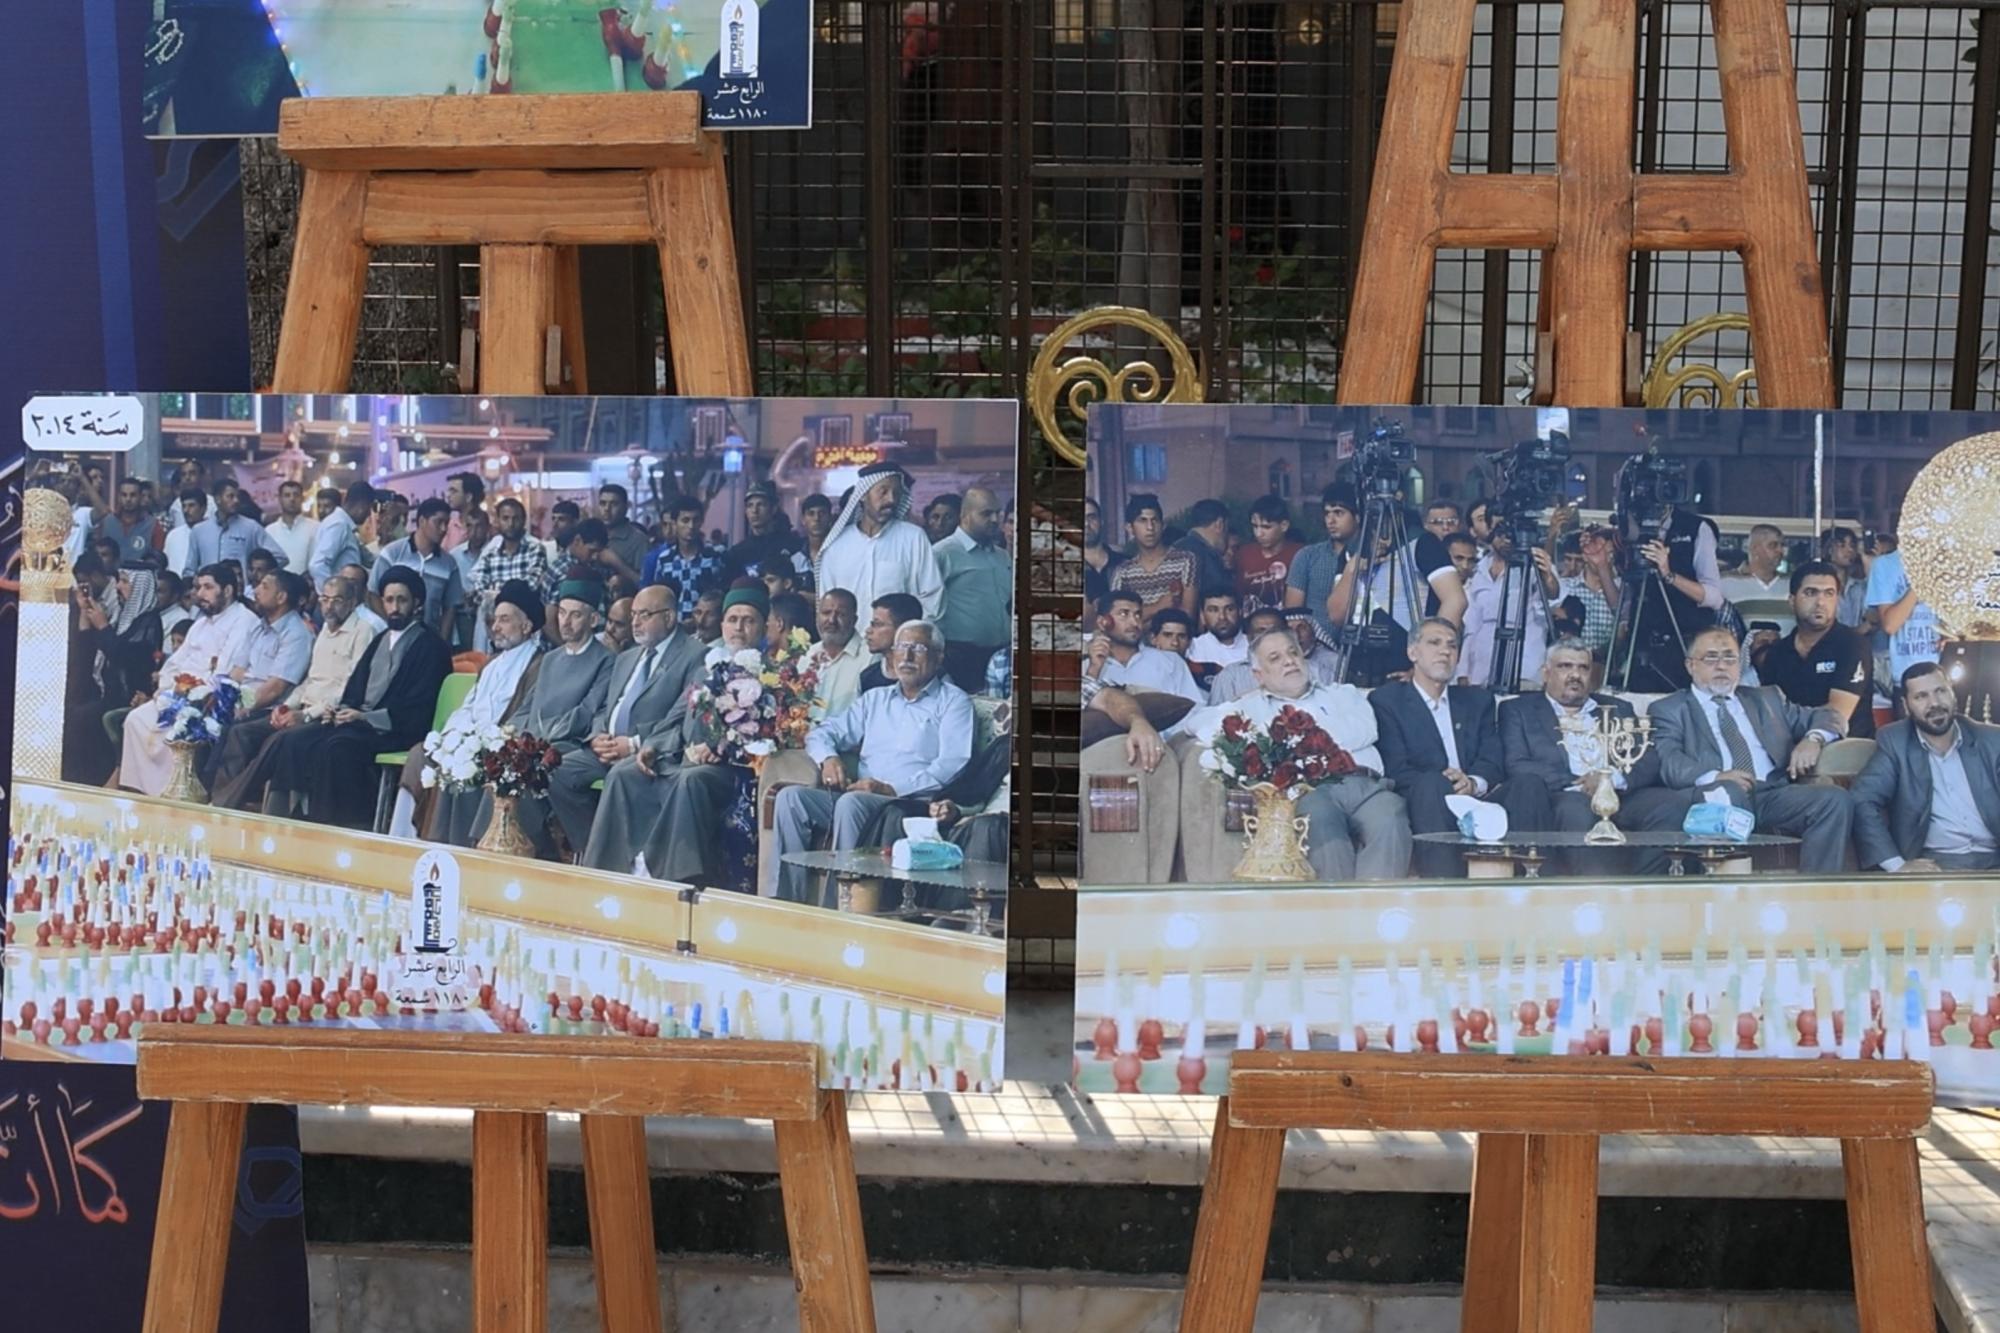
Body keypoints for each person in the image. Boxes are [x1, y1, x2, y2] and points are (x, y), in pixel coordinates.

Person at [772, 619, 975, 904]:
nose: (906, 656)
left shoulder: (953, 702)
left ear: (938, 657)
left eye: (918, 648)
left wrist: (890, 789)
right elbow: (821, 733)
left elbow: (951, 765)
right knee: (791, 799)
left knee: (851, 803)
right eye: (901, 647)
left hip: (908, 804)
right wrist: (828, 758)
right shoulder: (875, 700)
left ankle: (841, 908)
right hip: (862, 796)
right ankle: (787, 902)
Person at [1183, 627, 1411, 880]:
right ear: (1258, 675)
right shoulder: (1250, 706)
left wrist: (1294, 738)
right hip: (1311, 790)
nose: (1289, 661)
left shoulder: (1342, 693)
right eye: (1275, 658)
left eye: (1293, 653)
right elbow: (1195, 723)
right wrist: (1245, 707)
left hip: (1365, 784)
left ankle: (1378, 902)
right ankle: (1338, 902)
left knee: (1391, 814)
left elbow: (1365, 730)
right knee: (1319, 820)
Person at [584, 586, 772, 880]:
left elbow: (771, 731)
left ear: (764, 626)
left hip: (731, 768)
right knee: (624, 773)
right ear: (722, 625)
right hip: (685, 756)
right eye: (732, 619)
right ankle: (605, 875)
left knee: (689, 781)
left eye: (748, 620)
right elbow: (676, 715)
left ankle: (675, 878)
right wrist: (653, 746)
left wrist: (722, 747)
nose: (738, 628)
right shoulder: (709, 663)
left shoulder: (773, 672)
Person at [1648, 625, 1851, 872]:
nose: (1721, 666)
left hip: (1771, 792)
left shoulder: (1767, 698)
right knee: (1727, 793)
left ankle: (1818, 888)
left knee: (1834, 799)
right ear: (1691, 666)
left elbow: (1831, 715)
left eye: (1729, 658)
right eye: (1711, 658)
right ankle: (1729, 888)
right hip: (1716, 794)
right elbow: (1670, 762)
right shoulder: (1669, 709)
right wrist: (1717, 777)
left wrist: (1814, 738)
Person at [260, 570, 453, 829]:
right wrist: (341, 711)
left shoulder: (431, 646)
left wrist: (366, 717)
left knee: (336, 747)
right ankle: (284, 822)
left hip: (395, 729)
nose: (394, 608)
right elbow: (355, 689)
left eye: (402, 600)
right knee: (295, 740)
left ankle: (338, 826)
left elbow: (420, 706)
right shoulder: (381, 640)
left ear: (416, 603)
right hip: (358, 724)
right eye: (389, 600)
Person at [1370, 618, 1552, 878]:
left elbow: (1492, 758)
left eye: (1452, 646)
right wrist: (1448, 782)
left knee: (1530, 784)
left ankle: (1534, 884)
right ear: (1412, 653)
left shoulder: (1477, 700)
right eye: (1434, 643)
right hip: (1428, 800)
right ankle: (1446, 887)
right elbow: (1396, 768)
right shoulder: (1388, 700)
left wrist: (1474, 782)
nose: (1445, 651)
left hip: (1477, 797)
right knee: (1431, 784)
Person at [1497, 638, 1692, 874]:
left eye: (1583, 668)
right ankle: (1597, 890)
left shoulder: (1618, 708)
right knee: (1578, 811)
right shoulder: (1519, 710)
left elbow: (1648, 758)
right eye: (1565, 666)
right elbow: (1517, 764)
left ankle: (1641, 886)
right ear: (1545, 673)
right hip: (1564, 795)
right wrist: (1581, 782)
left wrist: (1610, 779)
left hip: (1620, 793)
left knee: (1672, 806)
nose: (1575, 675)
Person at [544, 581, 708, 857]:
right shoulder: (626, 657)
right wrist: (597, 736)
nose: (635, 623)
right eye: (633, 615)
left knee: (620, 776)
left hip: (649, 751)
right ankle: (592, 850)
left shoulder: (694, 655)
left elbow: (679, 718)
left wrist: (634, 743)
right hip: (605, 748)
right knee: (556, 770)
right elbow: (606, 707)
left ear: (669, 617)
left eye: (644, 615)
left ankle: (602, 860)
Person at [465, 579, 616, 857]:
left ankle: (533, 853)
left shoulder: (606, 660)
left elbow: (587, 711)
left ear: (593, 619)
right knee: (503, 763)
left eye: (575, 615)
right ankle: (487, 846)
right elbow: (527, 707)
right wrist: (511, 736)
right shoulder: (550, 659)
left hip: (568, 743)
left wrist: (539, 739)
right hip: (536, 741)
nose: (565, 622)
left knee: (529, 768)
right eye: (562, 613)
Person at [389, 579, 545, 842]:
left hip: (500, 746)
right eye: (495, 620)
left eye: (505, 620)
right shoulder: (491, 664)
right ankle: (405, 841)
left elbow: (525, 718)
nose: (495, 627)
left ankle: (446, 844)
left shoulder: (538, 665)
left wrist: (478, 743)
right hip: (470, 739)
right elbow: (468, 707)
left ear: (527, 626)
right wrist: (453, 739)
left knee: (464, 767)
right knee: (420, 754)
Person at [208, 575, 381, 812]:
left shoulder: (363, 631)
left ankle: (225, 805)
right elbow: (309, 680)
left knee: (279, 740)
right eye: (325, 599)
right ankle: (218, 797)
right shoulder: (325, 631)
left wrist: (307, 714)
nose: (329, 606)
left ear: (352, 602)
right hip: (302, 708)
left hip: (328, 716)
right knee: (241, 732)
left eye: (337, 600)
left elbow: (350, 689)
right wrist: (287, 706)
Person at [115, 562, 261, 796]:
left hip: (211, 699)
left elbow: (224, 671)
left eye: (208, 587)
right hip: (179, 692)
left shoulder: (244, 621)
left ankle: (173, 794)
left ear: (227, 590)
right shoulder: (201, 623)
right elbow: (175, 662)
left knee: (177, 728)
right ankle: (140, 791)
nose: (200, 594)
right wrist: (167, 688)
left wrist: (192, 692)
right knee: (136, 719)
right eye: (198, 587)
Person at [1851, 662, 2000, 872]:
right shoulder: (1896, 742)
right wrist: (1898, 866)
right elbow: (1862, 799)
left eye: (1940, 691)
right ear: (1906, 705)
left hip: (1995, 860)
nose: (1935, 703)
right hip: (1936, 866)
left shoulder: (1992, 740)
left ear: (1953, 693)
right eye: (1921, 696)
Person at [64, 564, 165, 785]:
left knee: (82, 720)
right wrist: (85, 613)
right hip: (107, 694)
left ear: (140, 586)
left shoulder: (149, 622)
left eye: (125, 581)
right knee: (71, 712)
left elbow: (125, 656)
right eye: (119, 580)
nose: (118, 586)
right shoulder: (123, 616)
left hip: (131, 699)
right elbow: (88, 649)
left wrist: (103, 626)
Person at [1612, 495, 1725, 692]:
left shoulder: (1696, 528)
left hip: (1683, 645)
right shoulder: (1630, 530)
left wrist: (1668, 574)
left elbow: (1714, 598)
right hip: (1641, 644)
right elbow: (1625, 601)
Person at [1756, 560, 1875, 740]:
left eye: (1829, 594)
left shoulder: (1853, 644)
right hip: (1790, 747)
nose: (1820, 602)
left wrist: (1809, 739)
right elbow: (1770, 714)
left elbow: (1836, 715)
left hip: (1846, 750)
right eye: (1811, 593)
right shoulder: (1777, 653)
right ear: (1792, 601)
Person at [814, 463, 943, 618]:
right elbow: (827, 601)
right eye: (883, 492)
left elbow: (932, 596)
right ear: (863, 494)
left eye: (896, 493)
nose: (891, 499)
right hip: (850, 633)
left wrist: (913, 631)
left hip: (900, 633)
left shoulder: (914, 538)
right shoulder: (837, 544)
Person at [1458, 525, 1559, 690]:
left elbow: (1553, 595)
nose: (1506, 540)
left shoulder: (1534, 564)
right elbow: (1471, 626)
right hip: (1481, 671)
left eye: (1510, 535)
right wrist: (1463, 671)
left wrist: (1547, 575)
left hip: (1525, 669)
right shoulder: (1479, 568)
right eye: (1501, 534)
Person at [932, 485, 1012, 691]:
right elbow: (929, 608)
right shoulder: (943, 553)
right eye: (986, 513)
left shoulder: (1002, 556)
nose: (995, 519)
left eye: (997, 513)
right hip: (960, 657)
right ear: (965, 515)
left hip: (1002, 656)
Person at [1081, 590, 1203, 708]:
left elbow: (1195, 709)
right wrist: (1094, 670)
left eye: (1138, 615)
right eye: (1124, 614)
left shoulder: (1171, 661)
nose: (1134, 622)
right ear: (1102, 622)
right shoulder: (1087, 667)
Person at [370, 497, 465, 639]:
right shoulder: (392, 553)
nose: (443, 529)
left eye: (446, 523)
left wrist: (441, 643)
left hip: (428, 638)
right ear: (421, 521)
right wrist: (392, 625)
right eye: (438, 522)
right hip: (392, 636)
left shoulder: (449, 564)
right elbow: (373, 594)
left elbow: (450, 608)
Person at [1865, 535, 1940, 714]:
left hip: (1946, 673)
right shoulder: (1885, 565)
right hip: (1905, 674)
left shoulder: (1948, 562)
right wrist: (1921, 581)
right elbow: (1890, 625)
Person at [1208, 606, 1341, 703]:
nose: (1268, 636)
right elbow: (1214, 724)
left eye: (1274, 630)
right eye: (1261, 631)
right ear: (1249, 637)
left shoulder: (1316, 671)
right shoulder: (1230, 677)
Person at [1284, 484, 1359, 649]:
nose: (1331, 521)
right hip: (1316, 650)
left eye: (1339, 513)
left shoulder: (1374, 557)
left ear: (1358, 516)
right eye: (1327, 514)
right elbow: (1293, 616)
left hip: (1362, 648)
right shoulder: (1307, 556)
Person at [1109, 493, 1198, 621]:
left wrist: (1140, 618)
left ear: (1163, 525)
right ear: (1130, 528)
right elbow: (1118, 621)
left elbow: (1187, 617)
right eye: (1142, 520)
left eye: (1154, 520)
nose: (1150, 527)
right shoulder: (1123, 572)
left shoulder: (1185, 560)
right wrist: (1157, 607)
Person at [180, 479, 289, 582]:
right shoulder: (199, 530)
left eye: (237, 497)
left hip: (242, 592)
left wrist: (258, 574)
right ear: (217, 499)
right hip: (208, 592)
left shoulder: (251, 527)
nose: (236, 501)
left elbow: (280, 557)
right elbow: (189, 570)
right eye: (230, 496)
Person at [643, 495, 726, 616]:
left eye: (696, 520)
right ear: (675, 523)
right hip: (674, 623)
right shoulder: (665, 559)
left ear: (701, 522)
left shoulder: (715, 556)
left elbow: (722, 593)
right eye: (685, 520)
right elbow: (659, 596)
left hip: (706, 623)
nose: (691, 526)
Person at [1721, 523, 1794, 645]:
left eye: (1782, 545)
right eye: (1773, 545)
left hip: (1789, 655)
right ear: (1754, 549)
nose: (1780, 551)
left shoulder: (1793, 583)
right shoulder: (1725, 582)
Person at [802, 588, 870, 717]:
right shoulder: (807, 655)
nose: (832, 620)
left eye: (841, 614)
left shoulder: (869, 657)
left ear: (854, 620)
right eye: (826, 613)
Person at [724, 480, 805, 584]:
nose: (754, 511)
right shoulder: (737, 553)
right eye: (750, 505)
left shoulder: (793, 546)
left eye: (761, 505)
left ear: (773, 509)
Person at [1236, 495, 1303, 613]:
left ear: (1284, 526)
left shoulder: (1300, 555)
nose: (1259, 533)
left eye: (1266, 527)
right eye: (1255, 526)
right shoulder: (1245, 554)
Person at [855, 592, 923, 695]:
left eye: (877, 624)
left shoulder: (928, 674)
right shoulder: (867, 678)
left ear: (903, 629)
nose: (868, 630)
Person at [309, 482, 373, 587]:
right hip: (339, 596)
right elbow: (317, 565)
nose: (369, 514)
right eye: (368, 508)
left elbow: (370, 560)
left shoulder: (344, 525)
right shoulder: (339, 524)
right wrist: (334, 591)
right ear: (361, 505)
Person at [1186, 586, 1248, 686]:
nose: (1222, 617)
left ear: (1240, 612)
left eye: (1229, 609)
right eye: (1213, 610)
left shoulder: (1255, 645)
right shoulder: (1192, 648)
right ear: (1202, 616)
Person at [592, 484, 651, 587]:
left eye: (614, 504)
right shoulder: (591, 534)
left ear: (625, 507)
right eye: (603, 503)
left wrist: (616, 563)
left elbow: (645, 584)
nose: (607, 509)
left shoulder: (639, 540)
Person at [97, 476, 162, 562]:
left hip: (141, 570)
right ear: (118, 497)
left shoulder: (153, 525)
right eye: (124, 495)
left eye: (133, 495)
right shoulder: (107, 522)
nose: (128, 499)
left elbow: (158, 558)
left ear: (140, 497)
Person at [1820, 525, 1873, 632]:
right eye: (1842, 545)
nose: (1849, 550)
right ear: (1829, 549)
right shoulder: (1821, 584)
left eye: (1852, 546)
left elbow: (1873, 613)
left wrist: (1869, 567)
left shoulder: (1858, 586)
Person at [264, 479, 319, 577]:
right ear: (280, 499)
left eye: (296, 495)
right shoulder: (269, 531)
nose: (292, 499)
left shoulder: (316, 527)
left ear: (302, 498)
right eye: (287, 495)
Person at [1081, 496, 1125, 609]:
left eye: (1091, 518)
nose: (1086, 524)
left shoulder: (1125, 563)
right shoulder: (1067, 565)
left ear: (1101, 522)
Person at [162, 488, 205, 581]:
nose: (186, 510)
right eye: (184, 506)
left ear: (203, 508)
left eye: (191, 506)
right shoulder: (173, 535)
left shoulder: (211, 533)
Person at [798, 492, 835, 586]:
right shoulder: (795, 558)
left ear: (830, 517)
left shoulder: (841, 553)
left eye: (822, 513)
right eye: (811, 514)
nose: (817, 519)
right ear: (803, 520)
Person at [444, 472, 486, 551]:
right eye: (449, 491)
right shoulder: (449, 526)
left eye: (454, 491)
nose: (448, 495)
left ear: (468, 497)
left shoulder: (487, 525)